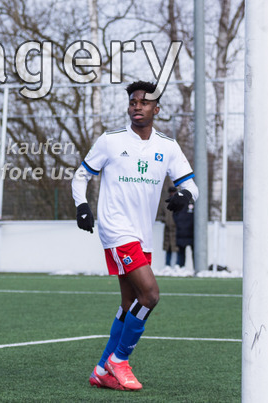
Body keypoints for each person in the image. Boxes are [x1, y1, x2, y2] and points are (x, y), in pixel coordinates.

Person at [72, 80, 199, 391]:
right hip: (116, 230)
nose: (136, 107)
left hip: (144, 235)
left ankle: (102, 369)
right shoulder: (110, 141)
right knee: (151, 295)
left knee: (130, 303)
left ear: (156, 109)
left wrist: (185, 195)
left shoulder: (167, 146)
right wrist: (82, 206)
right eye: (132, 102)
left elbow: (192, 185)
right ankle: (120, 359)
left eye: (143, 102)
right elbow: (80, 175)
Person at [172, 189, 195, 269]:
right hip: (181, 233)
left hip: (192, 233)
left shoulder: (193, 203)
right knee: (181, 252)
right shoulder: (179, 204)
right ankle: (181, 268)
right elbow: (174, 216)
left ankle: (196, 268)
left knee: (194, 252)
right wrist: (179, 225)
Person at [158, 186, 178, 268]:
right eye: (171, 192)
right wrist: (165, 220)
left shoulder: (179, 202)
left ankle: (177, 265)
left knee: (177, 248)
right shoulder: (165, 203)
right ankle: (167, 265)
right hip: (167, 228)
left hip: (176, 228)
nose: (172, 194)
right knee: (168, 247)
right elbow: (160, 214)